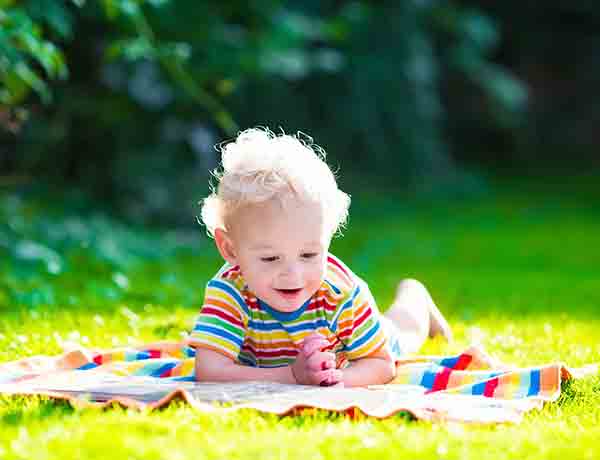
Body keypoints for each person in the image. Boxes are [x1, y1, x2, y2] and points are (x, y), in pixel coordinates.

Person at [189, 128, 451, 387]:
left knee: (403, 333)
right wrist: (291, 376)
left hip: (355, 348)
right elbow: (209, 370)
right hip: (286, 365)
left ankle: (415, 297)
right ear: (230, 250)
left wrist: (336, 378)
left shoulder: (342, 294)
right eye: (270, 258)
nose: (293, 274)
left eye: (309, 254)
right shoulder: (229, 289)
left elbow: (380, 364)